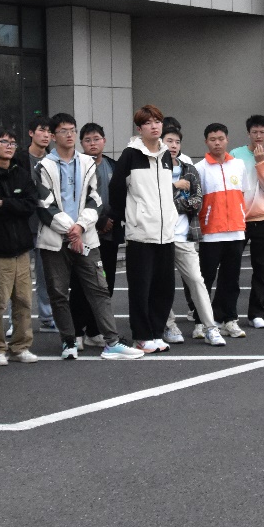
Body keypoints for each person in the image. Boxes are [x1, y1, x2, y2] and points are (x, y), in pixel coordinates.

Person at [33, 113, 145, 361]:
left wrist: (81, 227)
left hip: (87, 237)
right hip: (54, 240)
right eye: (63, 131)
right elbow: (44, 205)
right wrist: (71, 229)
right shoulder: (43, 166)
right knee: (59, 293)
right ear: (53, 136)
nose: (69, 135)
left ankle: (112, 341)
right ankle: (69, 341)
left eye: (72, 130)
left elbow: (96, 199)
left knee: (99, 288)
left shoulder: (87, 163)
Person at [108, 105, 178, 352]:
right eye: (148, 123)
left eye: (157, 121)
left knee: (164, 287)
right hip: (140, 233)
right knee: (141, 288)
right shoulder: (130, 155)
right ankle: (141, 335)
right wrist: (128, 218)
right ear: (139, 129)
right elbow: (116, 190)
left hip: (165, 233)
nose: (154, 126)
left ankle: (157, 333)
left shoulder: (166, 155)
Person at [161, 124, 225, 347]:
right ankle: (169, 325)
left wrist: (172, 201)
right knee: (163, 284)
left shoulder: (189, 169)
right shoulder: (154, 170)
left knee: (197, 281)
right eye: (169, 141)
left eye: (177, 142)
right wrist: (176, 187)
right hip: (161, 237)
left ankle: (210, 328)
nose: (173, 146)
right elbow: (154, 199)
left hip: (184, 237)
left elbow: (196, 202)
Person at [0, 128, 38, 365]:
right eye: (4, 142)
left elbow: (30, 204)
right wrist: (12, 205)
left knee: (24, 301)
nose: (9, 146)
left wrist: (3, 204)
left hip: (22, 248)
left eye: (13, 143)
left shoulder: (21, 173)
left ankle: (20, 346)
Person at [69, 122, 121, 346]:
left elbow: (121, 196)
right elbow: (75, 200)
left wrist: (111, 219)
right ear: (81, 143)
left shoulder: (113, 166)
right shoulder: (76, 167)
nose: (93, 143)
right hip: (85, 234)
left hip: (110, 235)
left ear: (104, 141)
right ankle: (77, 332)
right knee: (80, 285)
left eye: (96, 139)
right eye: (88, 140)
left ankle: (95, 330)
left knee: (105, 284)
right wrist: (99, 221)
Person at [196, 123, 248, 338]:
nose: (217, 143)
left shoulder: (239, 165)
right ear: (206, 142)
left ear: (227, 140)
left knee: (231, 280)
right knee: (205, 280)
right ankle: (201, 322)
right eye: (212, 139)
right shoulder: (200, 168)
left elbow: (243, 193)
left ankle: (230, 319)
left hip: (235, 230)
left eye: (220, 139)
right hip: (210, 232)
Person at [229, 115, 264, 329]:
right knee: (231, 268)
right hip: (238, 219)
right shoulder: (235, 155)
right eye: (254, 132)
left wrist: (261, 163)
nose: (258, 136)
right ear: (248, 133)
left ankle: (257, 313)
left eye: (262, 132)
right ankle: (229, 314)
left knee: (262, 269)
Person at [19, 116, 56, 334]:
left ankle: (47, 317)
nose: (46, 135)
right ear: (31, 133)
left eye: (49, 132)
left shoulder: (54, 159)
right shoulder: (19, 158)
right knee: (19, 278)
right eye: (41, 130)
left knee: (46, 275)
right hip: (23, 224)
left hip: (46, 224)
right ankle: (17, 322)